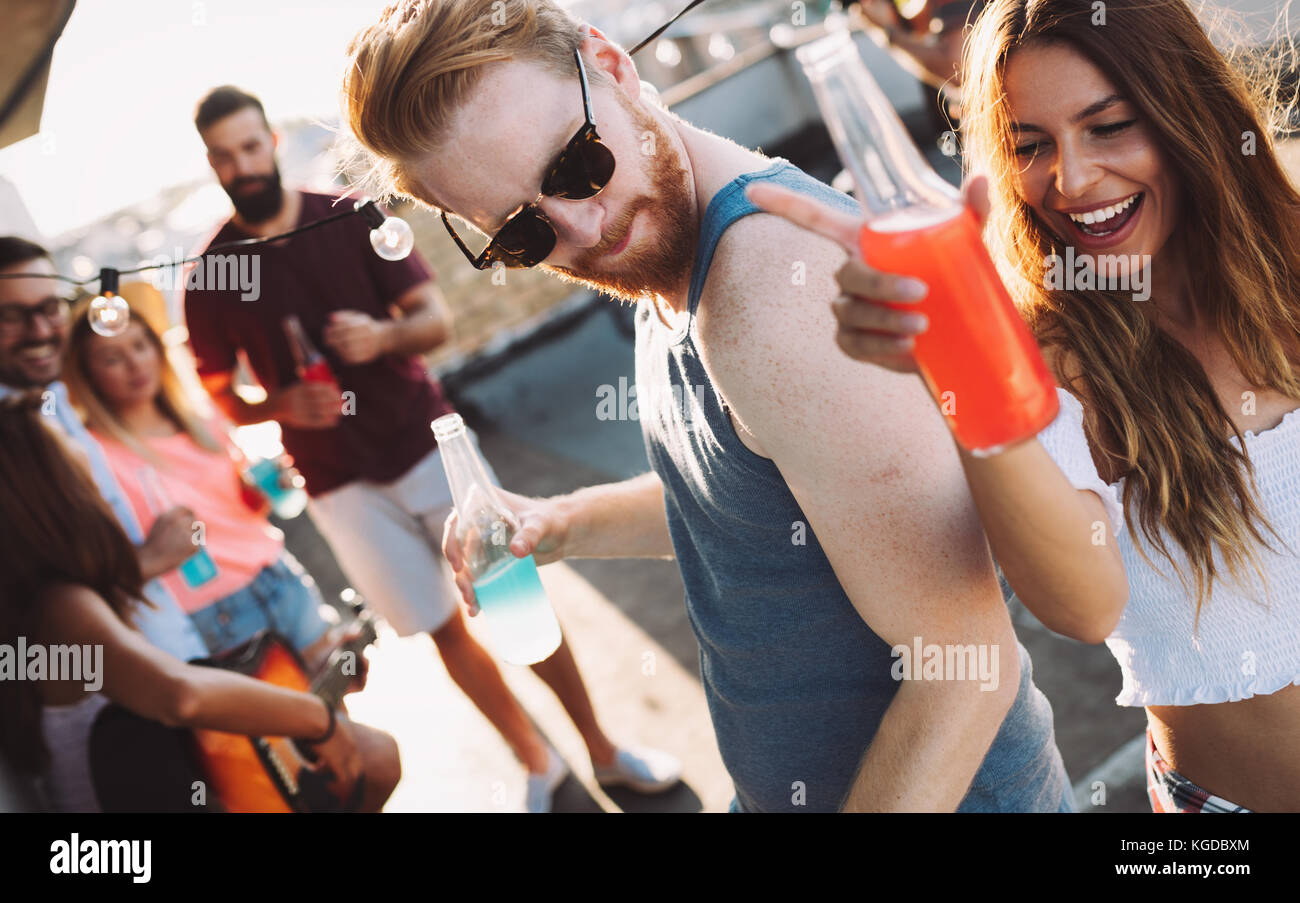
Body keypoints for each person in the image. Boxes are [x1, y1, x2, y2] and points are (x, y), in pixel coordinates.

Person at [342, 0, 1074, 812]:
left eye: (577, 165)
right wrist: (562, 524)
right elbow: (753, 505)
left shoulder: (765, 293)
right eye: (522, 234)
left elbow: (966, 666)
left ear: (613, 66)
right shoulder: (666, 259)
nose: (583, 227)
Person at [749, 0, 1300, 812]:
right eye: (1030, 146)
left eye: (1109, 126)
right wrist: (957, 365)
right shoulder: (1045, 357)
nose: (1071, 180)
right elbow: (1083, 604)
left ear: (1192, 110)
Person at [183, 85, 680, 811]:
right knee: (445, 630)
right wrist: (277, 404)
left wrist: (382, 336)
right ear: (213, 164)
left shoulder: (347, 217)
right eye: (225, 156)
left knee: (514, 592)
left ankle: (603, 751)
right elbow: (219, 393)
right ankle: (538, 764)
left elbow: (433, 320)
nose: (243, 165)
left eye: (251, 146)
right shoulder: (211, 275)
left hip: (425, 442)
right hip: (336, 484)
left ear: (272, 142)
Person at [0, 391, 400, 813]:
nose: (83, 452)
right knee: (373, 761)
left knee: (374, 759)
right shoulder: (62, 607)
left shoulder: (67, 593)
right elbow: (181, 695)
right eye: (64, 444)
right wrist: (315, 719)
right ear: (47, 487)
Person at [61, 295, 347, 671]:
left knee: (337, 712)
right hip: (217, 614)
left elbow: (243, 504)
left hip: (277, 574)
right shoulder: (91, 454)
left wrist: (262, 491)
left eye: (140, 345)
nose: (135, 364)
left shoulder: (203, 417)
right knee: (281, 725)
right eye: (113, 358)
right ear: (88, 374)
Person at [0, 237, 210, 661]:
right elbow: (26, 594)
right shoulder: (12, 432)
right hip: (106, 694)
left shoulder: (54, 400)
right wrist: (147, 560)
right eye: (10, 316)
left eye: (48, 308)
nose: (40, 331)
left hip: (171, 650)